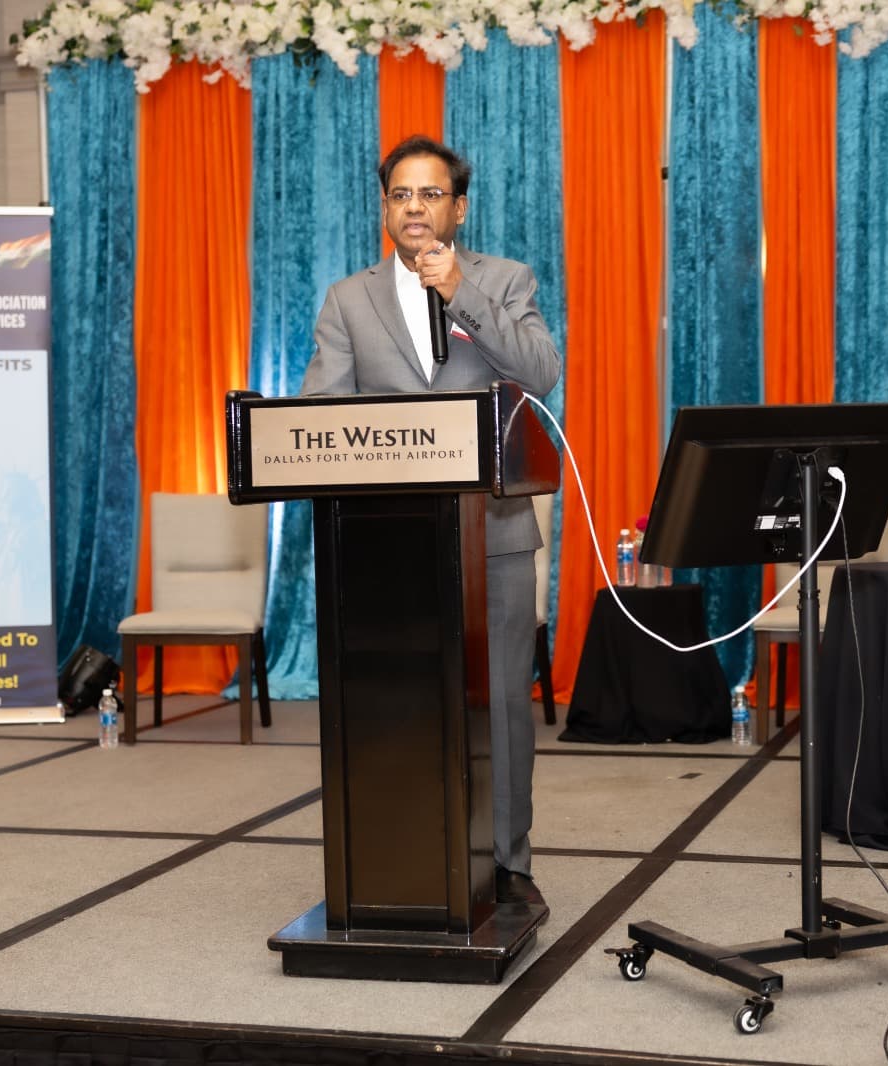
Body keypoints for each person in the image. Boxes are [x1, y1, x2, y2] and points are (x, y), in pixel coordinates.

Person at [301, 135, 562, 917]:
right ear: (385, 207)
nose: (414, 207)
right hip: (388, 546)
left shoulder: (504, 280)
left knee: (504, 708)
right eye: (400, 195)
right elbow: (321, 417)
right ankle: (406, 858)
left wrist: (461, 293)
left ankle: (509, 865)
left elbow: (540, 372)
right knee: (397, 702)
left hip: (497, 537)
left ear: (459, 208)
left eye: (430, 194)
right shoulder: (348, 300)